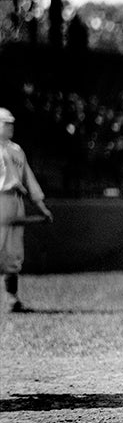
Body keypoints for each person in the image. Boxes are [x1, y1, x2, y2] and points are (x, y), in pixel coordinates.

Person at [0, 107, 53, 313]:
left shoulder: (16, 150)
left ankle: (13, 300)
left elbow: (29, 181)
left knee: (13, 254)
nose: (10, 127)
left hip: (15, 202)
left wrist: (41, 207)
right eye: (6, 123)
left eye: (11, 123)